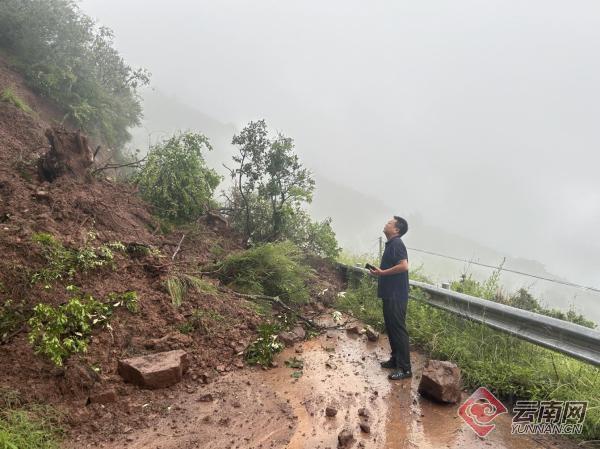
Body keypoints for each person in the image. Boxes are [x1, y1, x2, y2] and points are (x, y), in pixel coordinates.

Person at [369, 216, 412, 380]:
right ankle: (395, 360)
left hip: (396, 295)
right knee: (391, 328)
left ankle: (405, 369)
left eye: (389, 223)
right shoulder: (391, 244)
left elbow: (404, 266)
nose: (386, 224)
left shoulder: (397, 243)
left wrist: (382, 273)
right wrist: (380, 272)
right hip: (390, 294)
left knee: (398, 330)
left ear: (396, 230)